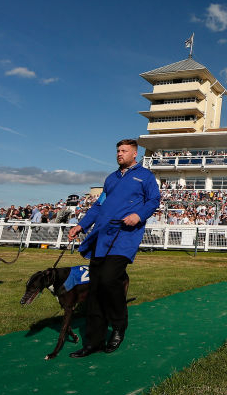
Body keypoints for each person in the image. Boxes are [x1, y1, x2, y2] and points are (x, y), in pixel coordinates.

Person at [68, 139, 160, 358]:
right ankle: (94, 342)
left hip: (125, 236)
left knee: (110, 279)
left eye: (124, 151)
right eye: (118, 150)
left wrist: (138, 215)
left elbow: (154, 200)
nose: (119, 154)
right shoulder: (110, 179)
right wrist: (81, 224)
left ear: (134, 154)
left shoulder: (145, 176)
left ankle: (119, 326)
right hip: (102, 236)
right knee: (96, 288)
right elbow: (98, 206)